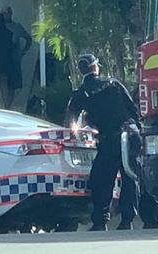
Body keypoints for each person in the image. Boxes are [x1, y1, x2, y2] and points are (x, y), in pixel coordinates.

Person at [66, 54, 140, 231]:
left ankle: (100, 221)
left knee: (101, 179)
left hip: (108, 139)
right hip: (128, 135)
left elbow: (71, 120)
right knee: (131, 177)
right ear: (95, 67)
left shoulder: (81, 93)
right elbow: (133, 109)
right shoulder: (114, 83)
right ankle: (127, 221)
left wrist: (77, 136)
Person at [2, 6, 33, 109]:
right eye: (3, 14)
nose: (5, 15)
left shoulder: (17, 27)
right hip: (3, 58)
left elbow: (28, 39)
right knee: (3, 82)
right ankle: (6, 105)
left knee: (13, 84)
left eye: (7, 13)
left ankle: (8, 106)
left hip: (14, 58)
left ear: (11, 14)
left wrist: (23, 52)